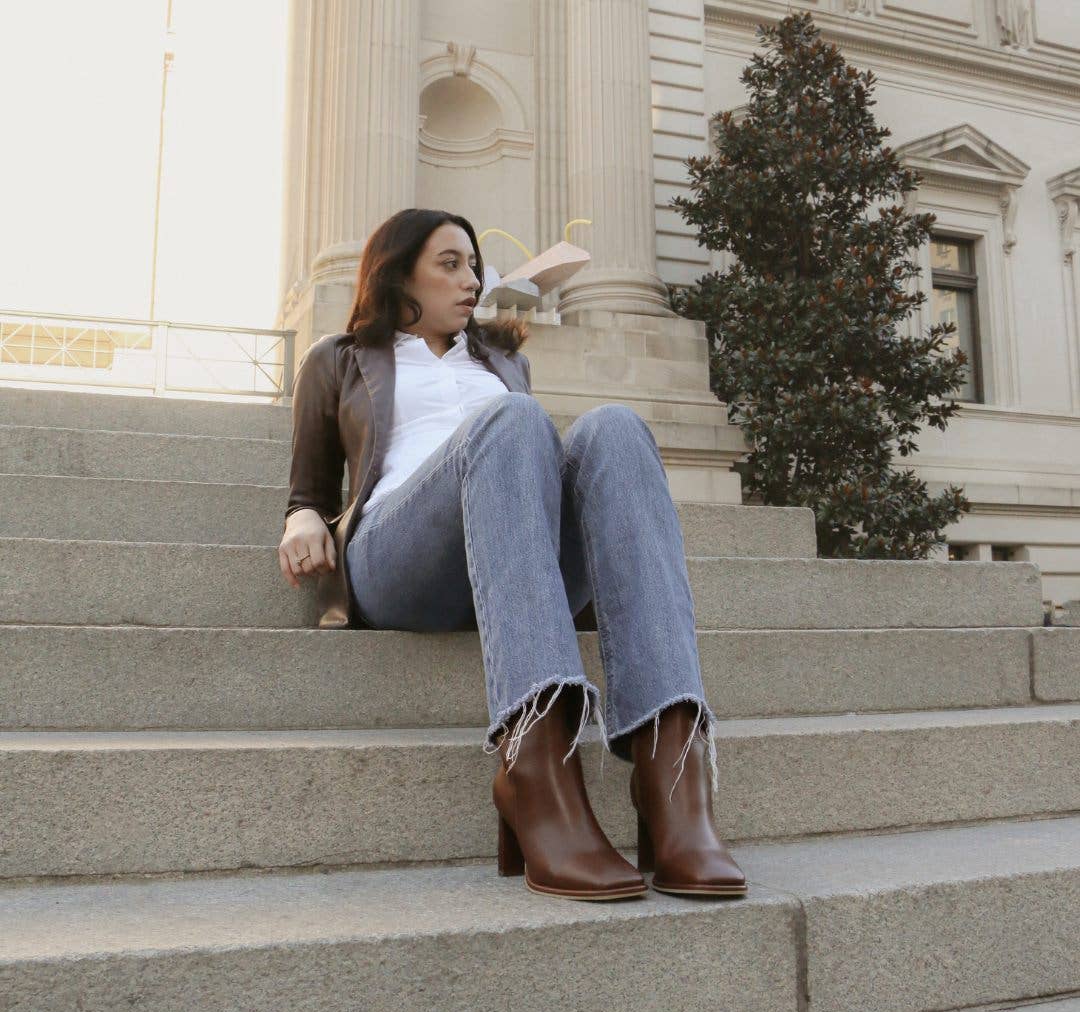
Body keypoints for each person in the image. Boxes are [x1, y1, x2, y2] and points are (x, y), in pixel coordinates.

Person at [279, 208, 747, 903]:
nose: (471, 280)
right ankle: (536, 771)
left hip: (507, 546)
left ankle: (672, 779)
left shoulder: (502, 360)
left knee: (615, 428)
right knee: (515, 419)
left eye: (474, 265)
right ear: (397, 271)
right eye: (450, 264)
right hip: (400, 555)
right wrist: (300, 518)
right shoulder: (338, 358)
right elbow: (309, 485)